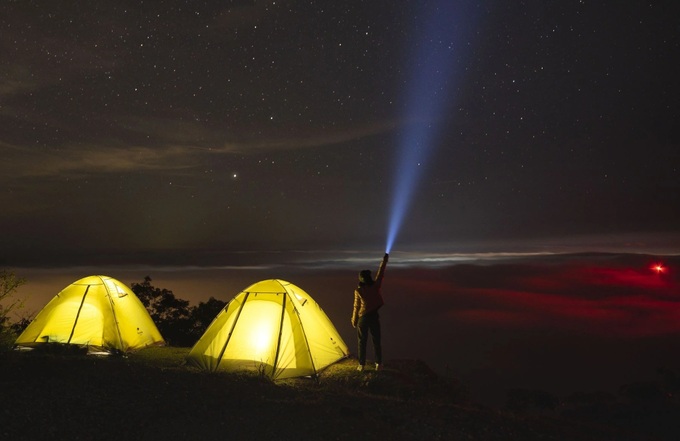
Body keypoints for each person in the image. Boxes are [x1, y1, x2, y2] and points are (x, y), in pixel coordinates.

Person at [351, 253, 389, 371]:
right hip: (374, 316)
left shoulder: (358, 291)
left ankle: (361, 365)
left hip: (363, 318)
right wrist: (384, 261)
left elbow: (356, 307)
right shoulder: (375, 286)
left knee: (362, 341)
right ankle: (379, 364)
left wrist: (354, 320)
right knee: (376, 340)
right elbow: (381, 273)